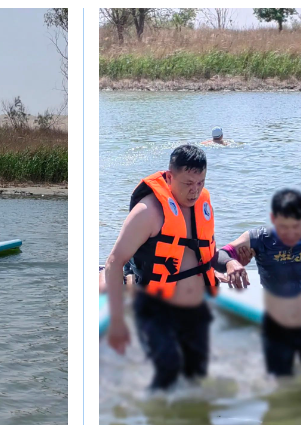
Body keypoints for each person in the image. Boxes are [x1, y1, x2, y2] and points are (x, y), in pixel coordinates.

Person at [105, 144, 248, 390]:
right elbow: (113, 263)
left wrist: (225, 265)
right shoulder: (148, 212)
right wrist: (117, 322)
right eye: (187, 183)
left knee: (197, 382)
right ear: (170, 177)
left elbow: (204, 254)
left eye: (200, 183)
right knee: (166, 385)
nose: (194, 191)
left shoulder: (201, 204)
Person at [215, 189, 301, 377]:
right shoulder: (259, 239)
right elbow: (219, 255)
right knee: (279, 381)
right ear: (273, 219)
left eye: (296, 227)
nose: (290, 233)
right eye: (283, 227)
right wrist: (231, 263)